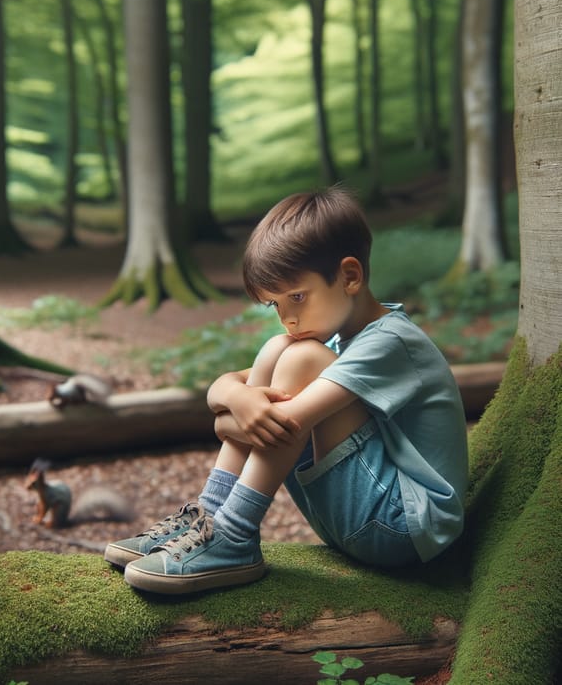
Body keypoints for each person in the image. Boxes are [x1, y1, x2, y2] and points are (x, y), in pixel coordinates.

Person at [105, 187, 469, 595]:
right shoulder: (332, 340)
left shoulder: (391, 342)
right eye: (275, 305)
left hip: (405, 526)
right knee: (279, 349)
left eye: (297, 296)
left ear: (350, 276)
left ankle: (235, 534)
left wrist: (236, 415)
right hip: (361, 520)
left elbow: (280, 424)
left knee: (296, 358)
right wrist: (239, 400)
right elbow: (224, 392)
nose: (289, 318)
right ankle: (208, 518)